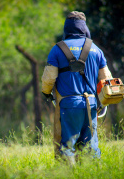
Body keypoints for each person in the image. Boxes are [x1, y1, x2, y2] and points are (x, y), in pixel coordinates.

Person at [41, 11, 113, 163]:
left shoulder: (57, 49)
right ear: (84, 28)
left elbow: (49, 79)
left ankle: (67, 174)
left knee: (67, 145)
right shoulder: (95, 49)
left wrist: (47, 93)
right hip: (91, 104)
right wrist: (103, 102)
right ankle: (92, 173)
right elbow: (107, 80)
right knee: (90, 145)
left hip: (68, 105)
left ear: (66, 28)